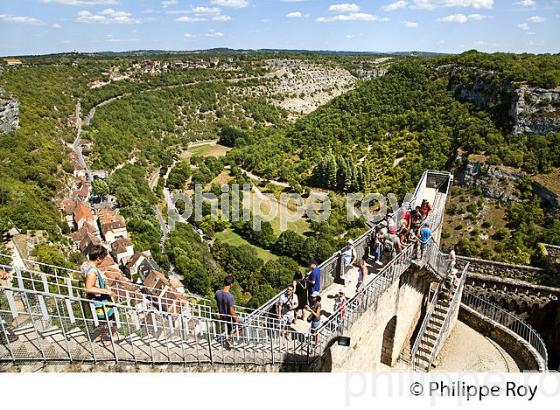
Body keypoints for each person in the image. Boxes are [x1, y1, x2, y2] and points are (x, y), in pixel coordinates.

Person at [81, 245, 117, 342]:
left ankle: (104, 335)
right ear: (98, 258)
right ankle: (113, 335)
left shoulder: (85, 265)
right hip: (99, 298)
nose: (104, 260)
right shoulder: (92, 271)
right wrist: (107, 291)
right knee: (109, 316)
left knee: (101, 318)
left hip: (93, 299)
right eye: (103, 258)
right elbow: (88, 288)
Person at [215, 275, 239, 349]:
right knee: (243, 323)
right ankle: (230, 339)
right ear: (231, 284)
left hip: (222, 316)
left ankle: (229, 339)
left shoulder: (217, 293)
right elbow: (232, 311)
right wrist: (236, 320)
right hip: (229, 317)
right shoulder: (230, 296)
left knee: (229, 328)